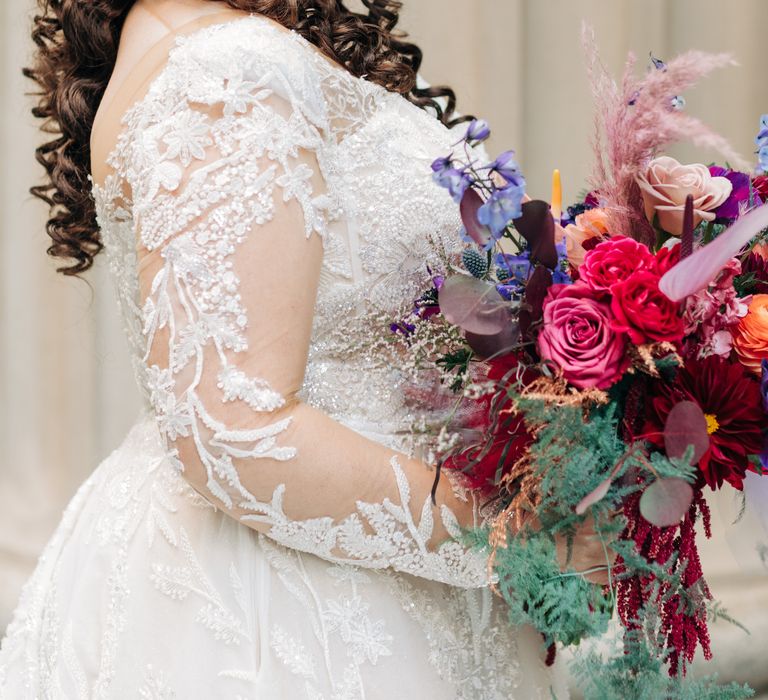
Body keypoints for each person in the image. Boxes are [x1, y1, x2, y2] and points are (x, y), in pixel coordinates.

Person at [0, 1, 604, 696]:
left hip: (358, 561)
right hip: (290, 606)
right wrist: (512, 539)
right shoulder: (228, 72)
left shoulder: (214, 42)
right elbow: (236, 427)